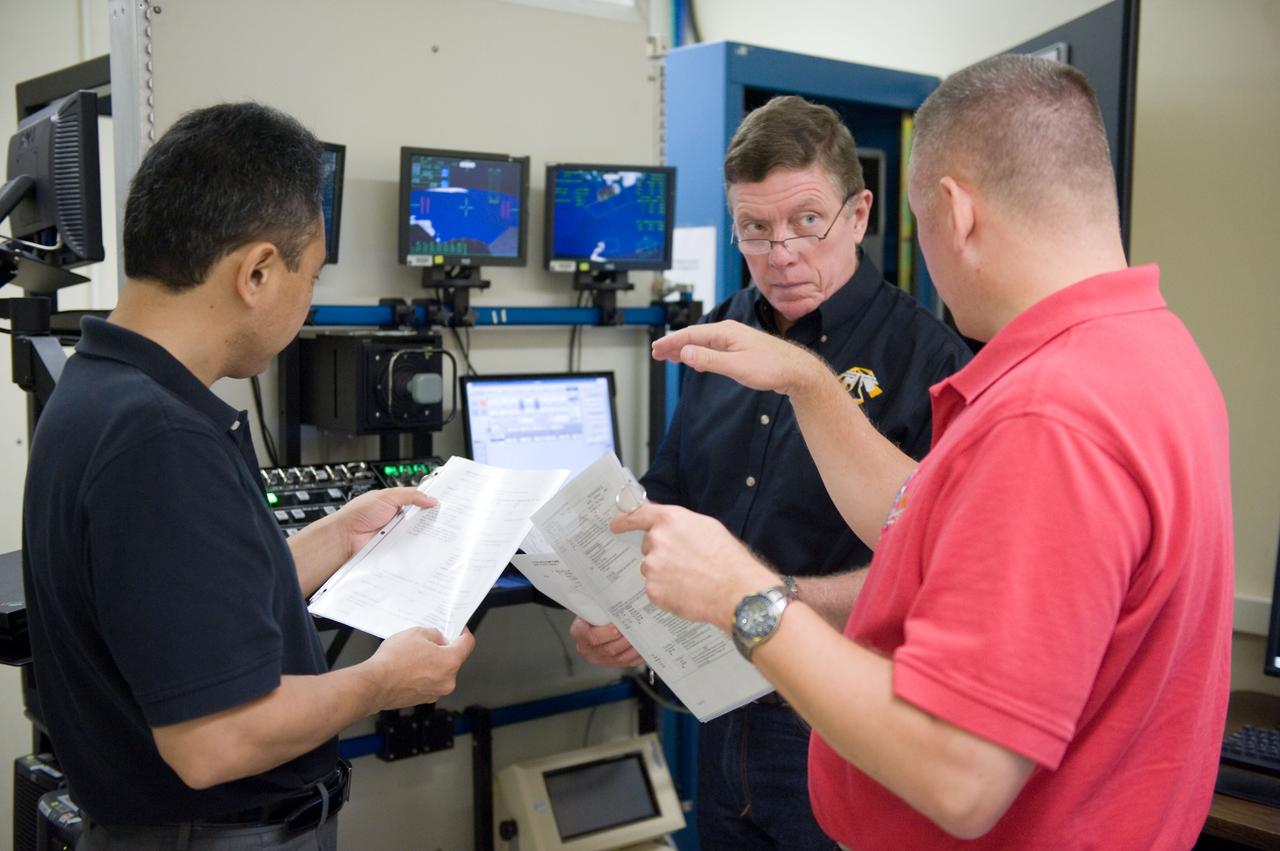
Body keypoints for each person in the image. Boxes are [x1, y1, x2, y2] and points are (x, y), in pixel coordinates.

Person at [614, 54, 1234, 850]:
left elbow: (958, 774)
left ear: (954, 212)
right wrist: (809, 382)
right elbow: (923, 523)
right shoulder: (1149, 350)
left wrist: (745, 594)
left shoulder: (1046, 418)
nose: (783, 251)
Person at [21, 103, 476, 850]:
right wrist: (381, 681)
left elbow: (184, 610)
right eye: (312, 274)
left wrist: (335, 534)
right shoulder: (157, 437)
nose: (310, 299)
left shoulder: (101, 390)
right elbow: (215, 742)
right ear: (258, 271)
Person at [571, 95, 971, 849]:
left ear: (857, 215)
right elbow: (672, 496)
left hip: (841, 718)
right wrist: (627, 605)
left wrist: (765, 600)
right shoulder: (718, 336)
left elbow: (932, 571)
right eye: (755, 228)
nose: (781, 251)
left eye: (806, 221)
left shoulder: (929, 360)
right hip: (719, 711)